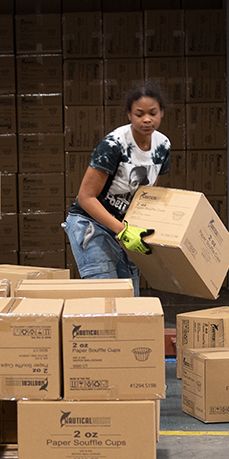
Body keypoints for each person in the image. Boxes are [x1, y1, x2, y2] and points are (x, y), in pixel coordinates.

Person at [63, 82, 171, 297]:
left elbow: (150, 191)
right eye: (139, 114)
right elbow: (86, 197)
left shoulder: (163, 145)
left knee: (129, 295)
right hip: (93, 223)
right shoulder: (114, 145)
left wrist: (137, 227)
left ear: (162, 113)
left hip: (126, 228)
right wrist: (122, 230)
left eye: (153, 113)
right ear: (129, 115)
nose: (147, 119)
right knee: (107, 293)